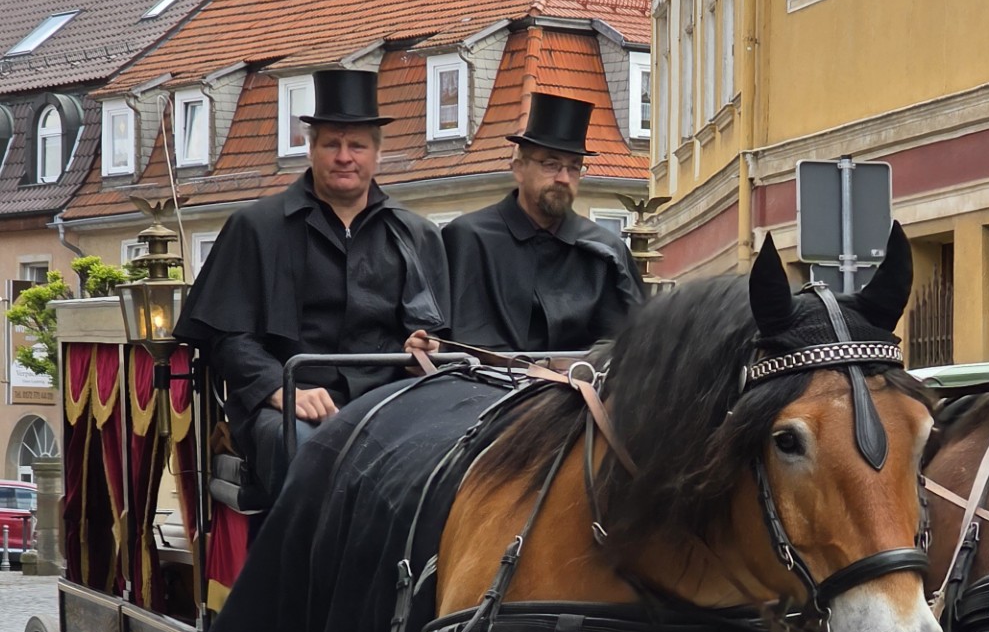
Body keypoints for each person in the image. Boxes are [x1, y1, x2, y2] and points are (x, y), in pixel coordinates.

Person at [176, 67, 448, 503]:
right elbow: (227, 339)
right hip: (284, 407)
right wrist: (281, 390)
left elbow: (438, 341)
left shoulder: (418, 236)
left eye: (357, 145)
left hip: (391, 401)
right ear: (311, 149)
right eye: (332, 144)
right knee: (308, 447)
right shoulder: (255, 228)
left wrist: (425, 355)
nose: (345, 156)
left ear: (376, 154)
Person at [443, 92, 645, 353]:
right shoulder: (467, 239)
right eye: (551, 164)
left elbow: (630, 347)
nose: (563, 178)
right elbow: (436, 341)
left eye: (574, 167)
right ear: (518, 167)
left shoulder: (605, 252)